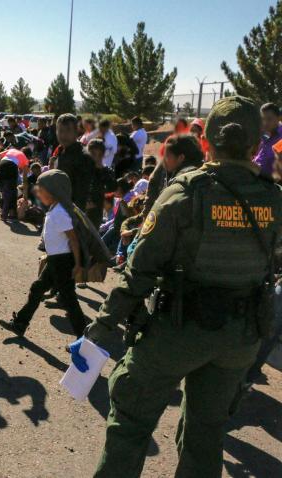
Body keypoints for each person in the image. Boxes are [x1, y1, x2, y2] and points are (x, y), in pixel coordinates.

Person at [78, 96, 282, 477]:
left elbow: (137, 273)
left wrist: (100, 329)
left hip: (177, 332)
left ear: (206, 143)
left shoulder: (185, 193)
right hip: (239, 339)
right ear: (257, 147)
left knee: (129, 423)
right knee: (206, 435)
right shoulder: (274, 200)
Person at [0, 170, 87, 338]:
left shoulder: (60, 212)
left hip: (62, 262)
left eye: (42, 188)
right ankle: (20, 324)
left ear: (55, 191)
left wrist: (77, 265)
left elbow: (73, 240)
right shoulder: (55, 209)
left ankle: (84, 340)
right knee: (38, 288)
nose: (38, 191)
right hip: (56, 260)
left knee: (69, 301)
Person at [53, 114, 95, 212]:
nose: (63, 135)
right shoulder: (61, 153)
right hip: (60, 210)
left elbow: (85, 192)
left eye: (68, 130)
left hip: (75, 214)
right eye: (60, 130)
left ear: (76, 132)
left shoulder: (84, 156)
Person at [87, 138, 116, 229]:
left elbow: (112, 187)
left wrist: (101, 168)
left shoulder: (106, 171)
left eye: (99, 155)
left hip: (95, 211)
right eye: (93, 154)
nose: (95, 157)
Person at [253, 102, 282, 177]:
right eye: (263, 119)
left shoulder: (280, 138)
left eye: (269, 119)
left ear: (279, 118)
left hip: (270, 184)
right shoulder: (265, 135)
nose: (265, 123)